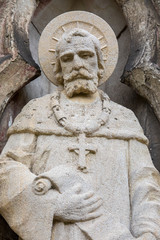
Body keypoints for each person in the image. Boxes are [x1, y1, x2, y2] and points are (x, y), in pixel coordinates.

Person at [0, 26, 160, 240]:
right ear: (58, 68)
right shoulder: (36, 112)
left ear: (100, 62)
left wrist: (147, 232)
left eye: (85, 55)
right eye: (67, 59)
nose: (77, 64)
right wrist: (52, 205)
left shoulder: (124, 119)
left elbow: (145, 184)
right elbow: (6, 172)